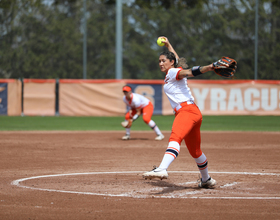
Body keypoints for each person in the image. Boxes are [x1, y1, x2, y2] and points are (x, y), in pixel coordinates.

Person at [142, 36, 217, 188]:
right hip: (194, 112)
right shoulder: (174, 71)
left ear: (171, 63)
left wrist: (208, 67)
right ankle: (206, 179)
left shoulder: (173, 73)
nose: (160, 63)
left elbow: (189, 72)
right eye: (159, 61)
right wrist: (169, 44)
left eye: (163, 60)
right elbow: (177, 60)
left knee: (175, 137)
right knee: (195, 151)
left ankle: (162, 168)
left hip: (186, 112)